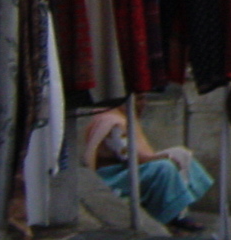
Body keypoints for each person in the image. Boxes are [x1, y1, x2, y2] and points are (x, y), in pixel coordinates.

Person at [83, 99, 213, 231]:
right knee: (164, 167)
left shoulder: (123, 118)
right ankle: (169, 217)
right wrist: (166, 156)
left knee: (182, 155)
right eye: (139, 99)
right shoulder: (112, 122)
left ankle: (178, 213)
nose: (142, 103)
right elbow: (130, 156)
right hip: (113, 176)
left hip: (127, 168)